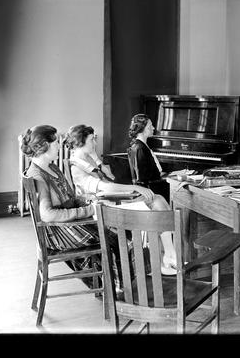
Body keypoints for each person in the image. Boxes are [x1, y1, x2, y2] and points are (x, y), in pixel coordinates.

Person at [66, 124, 177, 275]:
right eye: (92, 140)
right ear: (80, 142)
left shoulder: (86, 157)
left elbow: (108, 176)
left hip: (109, 201)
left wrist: (102, 167)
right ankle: (161, 261)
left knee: (158, 198)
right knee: (155, 203)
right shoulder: (76, 166)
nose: (95, 143)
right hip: (102, 209)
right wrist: (135, 188)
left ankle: (169, 255)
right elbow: (105, 188)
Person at [20, 125, 117, 287]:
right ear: (44, 145)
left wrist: (88, 200)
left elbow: (70, 198)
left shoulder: (51, 167)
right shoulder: (37, 174)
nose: (60, 145)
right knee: (115, 237)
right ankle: (117, 288)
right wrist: (89, 210)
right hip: (56, 232)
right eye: (56, 143)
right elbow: (48, 215)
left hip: (64, 225)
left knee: (112, 231)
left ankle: (109, 285)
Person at [127, 114, 170, 203]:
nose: (153, 128)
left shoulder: (141, 145)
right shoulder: (140, 148)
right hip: (154, 190)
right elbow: (142, 180)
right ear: (142, 129)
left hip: (156, 183)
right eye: (150, 126)